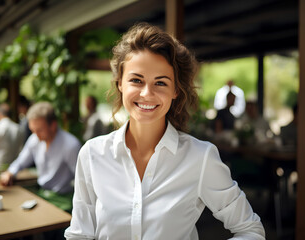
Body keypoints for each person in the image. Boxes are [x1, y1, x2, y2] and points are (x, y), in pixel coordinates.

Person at [65, 23, 265, 239]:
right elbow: (79, 235)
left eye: (160, 83)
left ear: (175, 90)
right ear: (120, 83)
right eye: (136, 80)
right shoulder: (92, 155)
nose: (146, 93)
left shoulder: (200, 157)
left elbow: (250, 230)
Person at [0, 101, 82, 212]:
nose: (36, 134)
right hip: (42, 194)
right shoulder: (35, 139)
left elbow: (81, 179)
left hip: (64, 199)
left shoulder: (70, 145)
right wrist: (10, 172)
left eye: (39, 130)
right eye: (33, 130)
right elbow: (21, 161)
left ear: (53, 125)